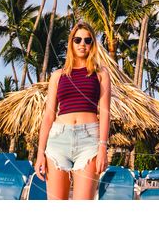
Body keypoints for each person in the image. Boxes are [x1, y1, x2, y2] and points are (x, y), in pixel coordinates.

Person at [35, 21, 111, 199]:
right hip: (57, 140)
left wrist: (103, 148)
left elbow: (106, 113)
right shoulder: (57, 75)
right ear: (71, 43)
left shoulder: (101, 74)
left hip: (89, 141)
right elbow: (48, 116)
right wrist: (40, 153)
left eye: (87, 40)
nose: (82, 44)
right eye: (77, 40)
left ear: (92, 44)